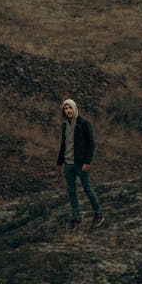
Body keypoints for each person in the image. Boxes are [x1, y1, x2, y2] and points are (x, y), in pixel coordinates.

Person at [57, 98, 104, 229]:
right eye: (65, 109)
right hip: (68, 164)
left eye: (70, 108)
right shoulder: (65, 125)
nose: (68, 111)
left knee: (87, 189)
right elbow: (64, 144)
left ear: (75, 108)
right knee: (71, 191)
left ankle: (98, 214)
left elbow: (91, 144)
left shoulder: (84, 124)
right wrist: (59, 162)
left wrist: (87, 162)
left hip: (81, 164)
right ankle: (76, 218)